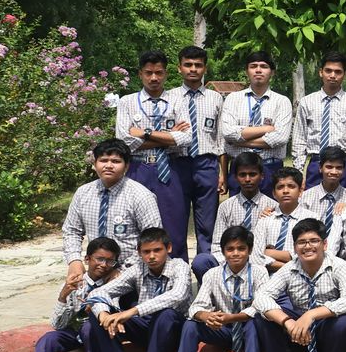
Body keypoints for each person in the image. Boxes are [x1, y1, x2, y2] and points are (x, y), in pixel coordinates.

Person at [4, 238, 123, 352]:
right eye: (100, 259)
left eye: (110, 261)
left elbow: (115, 310)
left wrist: (96, 306)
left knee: (89, 327)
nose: (104, 265)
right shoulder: (75, 283)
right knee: (47, 339)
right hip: (73, 333)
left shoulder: (115, 284)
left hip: (97, 334)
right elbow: (57, 324)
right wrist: (63, 296)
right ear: (87, 259)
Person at [86, 227, 194, 352]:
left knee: (166, 315)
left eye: (157, 250)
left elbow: (177, 295)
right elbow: (98, 292)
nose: (151, 256)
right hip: (146, 328)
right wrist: (104, 315)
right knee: (99, 314)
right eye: (146, 252)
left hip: (174, 332)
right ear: (139, 252)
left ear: (168, 248)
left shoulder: (179, 266)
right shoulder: (137, 269)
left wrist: (132, 311)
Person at [254, 217, 346, 352]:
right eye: (302, 242)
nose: (308, 246)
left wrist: (312, 314)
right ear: (294, 247)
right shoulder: (289, 268)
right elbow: (261, 297)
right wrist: (287, 322)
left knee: (345, 322)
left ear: (325, 244)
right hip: (297, 333)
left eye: (314, 241)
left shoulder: (338, 266)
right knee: (263, 317)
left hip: (326, 329)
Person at [164, 226, 262, 352]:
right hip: (222, 331)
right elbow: (195, 307)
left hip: (247, 331)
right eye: (230, 249)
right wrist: (206, 315)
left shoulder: (259, 272)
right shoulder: (212, 274)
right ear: (223, 252)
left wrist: (232, 317)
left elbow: (262, 307)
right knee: (191, 325)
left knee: (254, 323)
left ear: (249, 250)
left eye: (241, 248)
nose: (235, 253)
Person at [115, 51, 190, 260]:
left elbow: (186, 139)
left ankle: (177, 271)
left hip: (168, 168)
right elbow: (124, 141)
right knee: (136, 222)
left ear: (166, 74)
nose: (154, 78)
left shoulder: (177, 101)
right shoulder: (127, 102)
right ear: (140, 74)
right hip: (138, 168)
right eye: (148, 73)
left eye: (159, 73)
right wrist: (168, 136)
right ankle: (137, 271)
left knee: (174, 223)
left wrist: (144, 133)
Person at [62, 139, 162, 285]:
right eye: (103, 160)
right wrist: (74, 261)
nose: (108, 166)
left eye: (116, 161)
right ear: (95, 163)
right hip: (96, 270)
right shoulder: (83, 193)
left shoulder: (141, 196)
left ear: (126, 166)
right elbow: (71, 231)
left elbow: (152, 239)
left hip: (133, 271)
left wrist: (123, 271)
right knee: (69, 295)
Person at [168, 46, 225, 269]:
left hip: (206, 164)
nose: (193, 69)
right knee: (176, 221)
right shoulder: (169, 97)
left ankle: (205, 272)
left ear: (205, 69)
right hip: (177, 163)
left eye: (198, 65)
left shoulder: (215, 98)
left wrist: (222, 172)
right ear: (179, 68)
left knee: (207, 223)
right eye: (188, 65)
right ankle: (178, 272)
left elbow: (221, 139)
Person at [220, 51, 292, 195]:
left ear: (272, 72)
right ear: (247, 71)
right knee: (238, 209)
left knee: (271, 208)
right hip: (240, 168)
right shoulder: (233, 99)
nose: (258, 70)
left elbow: (281, 138)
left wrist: (238, 141)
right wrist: (266, 129)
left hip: (270, 168)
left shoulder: (282, 101)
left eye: (263, 66)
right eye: (253, 66)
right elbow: (228, 133)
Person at [292, 51, 346, 189]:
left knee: (344, 202)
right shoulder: (307, 102)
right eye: (328, 71)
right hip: (316, 162)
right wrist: (298, 172)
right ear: (321, 72)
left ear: (345, 75)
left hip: (344, 163)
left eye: (338, 72)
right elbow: (299, 139)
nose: (332, 75)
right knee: (313, 201)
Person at [194, 151, 272, 277]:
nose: (247, 179)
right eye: (242, 175)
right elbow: (217, 245)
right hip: (230, 262)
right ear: (235, 177)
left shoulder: (273, 206)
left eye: (252, 174)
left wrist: (254, 263)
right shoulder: (226, 207)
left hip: (261, 264)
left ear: (262, 176)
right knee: (201, 261)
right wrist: (231, 266)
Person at [251, 168, 320, 271]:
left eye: (291, 186)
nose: (285, 191)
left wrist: (269, 253)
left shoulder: (312, 219)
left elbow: (311, 253)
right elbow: (255, 256)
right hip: (268, 275)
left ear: (300, 191)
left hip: (301, 276)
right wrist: (286, 265)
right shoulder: (265, 219)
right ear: (274, 193)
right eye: (280, 187)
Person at [299, 146, 346, 240]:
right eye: (329, 167)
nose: (334, 172)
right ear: (320, 168)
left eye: (338, 168)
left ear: (344, 170)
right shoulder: (306, 197)